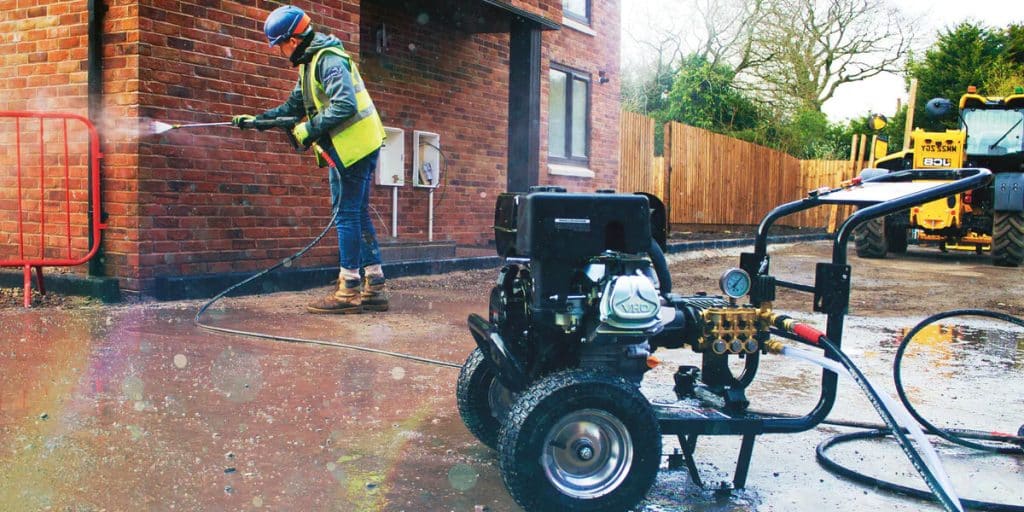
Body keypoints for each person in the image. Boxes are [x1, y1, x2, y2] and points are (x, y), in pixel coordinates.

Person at [234, 5, 388, 314]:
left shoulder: (327, 59)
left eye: (279, 44)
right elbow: (293, 107)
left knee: (346, 214)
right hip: (357, 145)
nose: (280, 51)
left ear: (292, 39)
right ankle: (375, 285)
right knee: (356, 213)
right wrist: (258, 121)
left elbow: (344, 104)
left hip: (353, 148)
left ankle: (348, 289)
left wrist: (308, 129)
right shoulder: (310, 62)